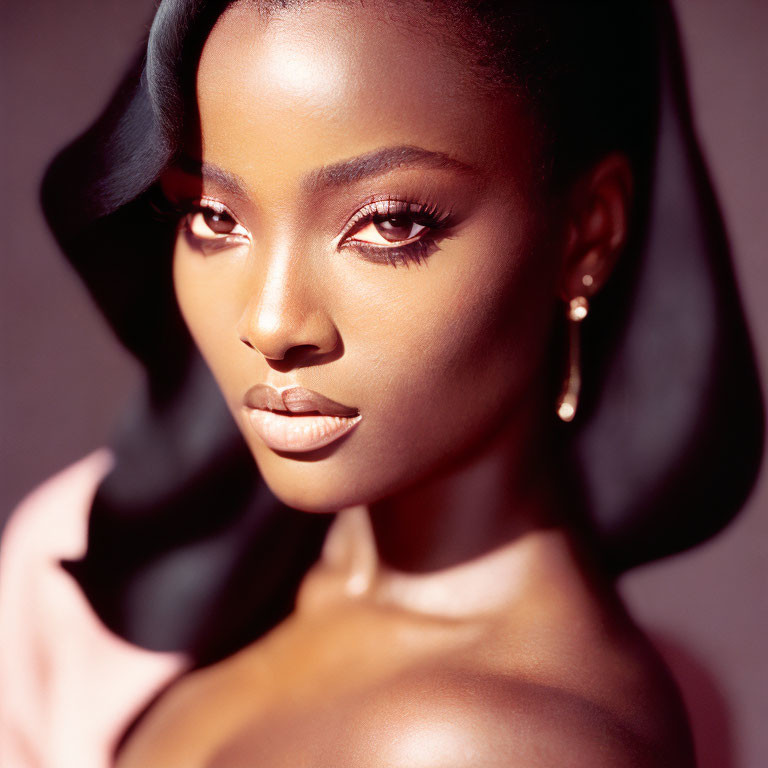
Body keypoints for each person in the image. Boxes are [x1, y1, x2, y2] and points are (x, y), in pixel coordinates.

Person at [0, 1, 763, 766]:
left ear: (586, 233)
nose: (269, 324)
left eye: (390, 224)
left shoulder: (501, 743)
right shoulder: (88, 561)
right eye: (212, 215)